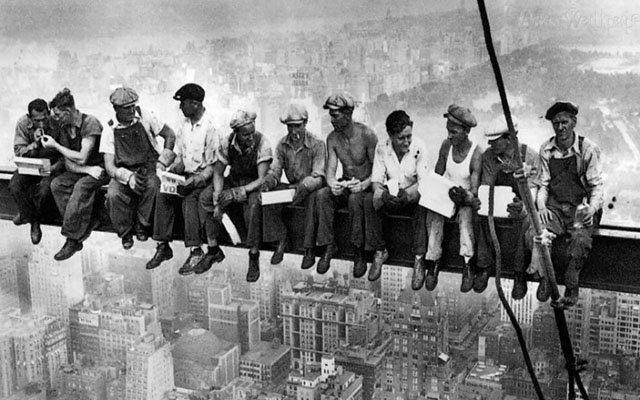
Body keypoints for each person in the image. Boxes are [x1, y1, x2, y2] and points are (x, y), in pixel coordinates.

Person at [532, 101, 603, 307]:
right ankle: (546, 277)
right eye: (556, 123)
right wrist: (542, 206)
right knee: (539, 231)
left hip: (581, 208)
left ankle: (571, 287)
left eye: (564, 122)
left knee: (580, 240)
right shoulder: (546, 149)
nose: (560, 128)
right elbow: (543, 184)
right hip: (556, 207)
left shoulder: (587, 149)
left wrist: (592, 208)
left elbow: (597, 186)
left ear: (574, 122)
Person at [146, 83, 220, 274]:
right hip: (186, 176)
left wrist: (195, 181)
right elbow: (180, 156)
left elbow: (214, 165)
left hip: (203, 179)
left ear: (195, 104)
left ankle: (196, 250)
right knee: (163, 194)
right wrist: (168, 170)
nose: (181, 108)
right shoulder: (184, 126)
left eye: (184, 103)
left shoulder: (211, 127)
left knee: (190, 199)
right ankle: (163, 245)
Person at [200, 110, 272, 281]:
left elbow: (262, 179)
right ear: (236, 133)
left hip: (253, 184)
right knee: (206, 197)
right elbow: (218, 172)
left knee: (254, 206)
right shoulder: (227, 142)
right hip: (234, 179)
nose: (250, 137)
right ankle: (213, 248)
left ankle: (253, 255)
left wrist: (237, 193)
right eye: (246, 134)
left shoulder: (263, 143)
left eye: (252, 132)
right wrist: (218, 198)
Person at [101, 87, 176, 251]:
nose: (131, 110)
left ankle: (142, 225)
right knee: (113, 195)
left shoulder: (145, 116)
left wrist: (162, 162)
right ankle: (125, 232)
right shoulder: (110, 128)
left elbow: (170, 135)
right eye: (125, 108)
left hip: (147, 166)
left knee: (154, 186)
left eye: (132, 106)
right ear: (116, 109)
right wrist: (128, 177)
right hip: (123, 170)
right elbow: (109, 166)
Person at [314, 93, 379, 278]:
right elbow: (330, 170)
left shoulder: (367, 135)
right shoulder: (332, 139)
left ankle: (358, 251)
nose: (331, 120)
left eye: (335, 115)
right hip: (347, 183)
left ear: (348, 114)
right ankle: (328, 245)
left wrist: (364, 184)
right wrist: (333, 184)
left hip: (364, 187)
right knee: (323, 195)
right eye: (331, 115)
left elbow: (378, 171)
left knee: (355, 199)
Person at [474, 115, 539, 298]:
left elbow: (532, 192)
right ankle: (484, 266)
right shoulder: (489, 156)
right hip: (497, 201)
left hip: (521, 204)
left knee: (525, 221)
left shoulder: (530, 156)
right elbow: (487, 184)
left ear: (509, 139)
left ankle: (519, 274)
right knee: (481, 215)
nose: (491, 145)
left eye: (495, 141)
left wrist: (522, 207)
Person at [41, 88, 109, 261]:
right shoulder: (64, 127)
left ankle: (72, 239)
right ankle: (87, 223)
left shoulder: (89, 123)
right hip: (86, 170)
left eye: (58, 115)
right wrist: (86, 170)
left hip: (101, 169)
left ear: (68, 111)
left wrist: (55, 145)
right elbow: (69, 162)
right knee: (57, 184)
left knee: (81, 186)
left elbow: (81, 157)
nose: (56, 119)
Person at [425, 104, 482, 292]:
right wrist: (436, 192)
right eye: (448, 131)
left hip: (463, 199)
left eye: (454, 132)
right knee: (434, 215)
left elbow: (474, 190)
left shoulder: (476, 154)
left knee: (466, 217)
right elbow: (438, 173)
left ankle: (467, 263)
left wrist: (464, 195)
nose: (449, 135)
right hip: (446, 195)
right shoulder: (446, 146)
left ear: (465, 132)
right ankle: (433, 260)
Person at [260, 103, 326, 268]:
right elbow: (275, 170)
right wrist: (268, 182)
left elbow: (319, 174)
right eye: (290, 127)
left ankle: (309, 248)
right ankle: (281, 238)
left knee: (314, 200)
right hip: (292, 188)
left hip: (310, 188)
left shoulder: (317, 144)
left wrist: (305, 185)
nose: (294, 131)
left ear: (305, 123)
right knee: (269, 198)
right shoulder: (282, 145)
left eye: (297, 126)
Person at [370, 110, 429, 284]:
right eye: (401, 138)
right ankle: (380, 251)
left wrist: (408, 195)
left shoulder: (419, 147)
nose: (406, 142)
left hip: (412, 194)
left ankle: (419, 258)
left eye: (408, 136)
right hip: (392, 193)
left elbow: (423, 181)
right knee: (372, 201)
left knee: (422, 206)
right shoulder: (382, 148)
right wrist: (383, 194)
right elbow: (376, 180)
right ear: (390, 135)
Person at [10, 98, 64, 245]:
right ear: (29, 118)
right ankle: (31, 218)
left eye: (44, 119)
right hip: (30, 163)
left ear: (48, 113)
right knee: (15, 186)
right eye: (36, 120)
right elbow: (19, 151)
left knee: (44, 191)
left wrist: (54, 168)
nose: (41, 124)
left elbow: (65, 154)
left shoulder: (57, 123)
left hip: (52, 165)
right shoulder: (23, 123)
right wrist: (34, 144)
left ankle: (31, 219)